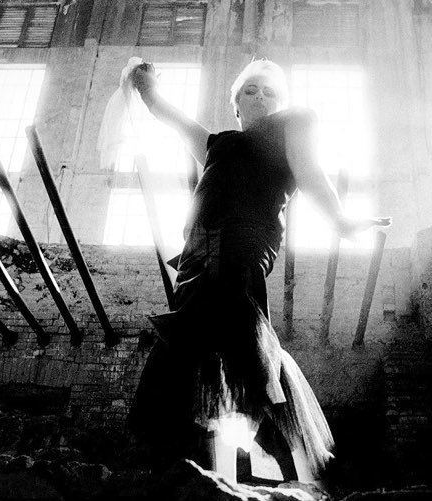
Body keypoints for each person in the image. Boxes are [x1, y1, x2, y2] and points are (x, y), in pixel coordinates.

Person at [127, 59, 389, 484]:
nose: (261, 96)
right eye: (251, 90)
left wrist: (340, 219)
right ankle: (195, 469)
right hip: (197, 254)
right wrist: (145, 84)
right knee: (194, 346)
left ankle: (290, 469)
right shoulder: (217, 143)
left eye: (270, 91)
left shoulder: (293, 122)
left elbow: (310, 172)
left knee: (241, 341)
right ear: (235, 105)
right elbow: (169, 116)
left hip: (243, 244)